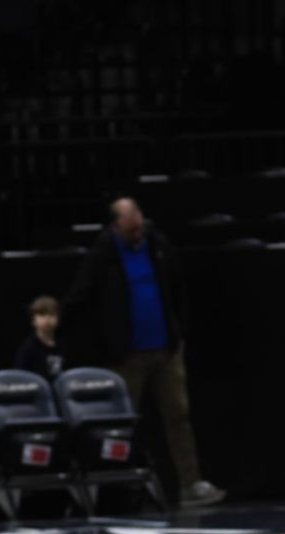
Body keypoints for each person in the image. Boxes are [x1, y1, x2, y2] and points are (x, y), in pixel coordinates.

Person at [59, 197, 225, 507]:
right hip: (126, 355)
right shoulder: (102, 255)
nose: (137, 230)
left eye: (139, 221)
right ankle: (121, 486)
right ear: (115, 225)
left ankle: (191, 485)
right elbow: (81, 302)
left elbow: (178, 290)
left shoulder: (157, 245)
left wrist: (179, 333)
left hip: (165, 349)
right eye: (130, 225)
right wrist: (105, 345)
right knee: (123, 423)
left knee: (179, 417)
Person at [13, 295, 65, 382]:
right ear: (33, 320)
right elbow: (19, 375)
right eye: (42, 315)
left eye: (52, 314)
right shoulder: (28, 348)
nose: (47, 319)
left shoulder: (61, 346)